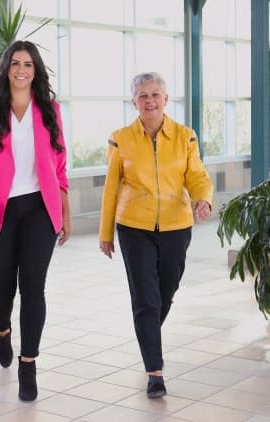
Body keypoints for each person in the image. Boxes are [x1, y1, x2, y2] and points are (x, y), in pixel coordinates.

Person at [0, 40, 71, 402]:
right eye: (15, 63)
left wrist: (65, 212)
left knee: (33, 288)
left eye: (28, 63)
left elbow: (59, 163)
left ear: (36, 69)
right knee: (0, 292)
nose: (21, 69)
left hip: (40, 209)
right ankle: (1, 329)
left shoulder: (49, 109)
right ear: (6, 69)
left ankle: (29, 364)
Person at [99, 72, 213, 398]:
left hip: (177, 226)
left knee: (166, 292)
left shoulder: (184, 136)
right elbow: (110, 190)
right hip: (134, 227)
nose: (150, 100)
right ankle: (155, 372)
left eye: (155, 94)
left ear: (165, 98)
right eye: (143, 95)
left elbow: (197, 175)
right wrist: (106, 232)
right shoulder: (121, 138)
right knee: (146, 298)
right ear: (134, 101)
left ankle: (147, 332)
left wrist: (202, 198)